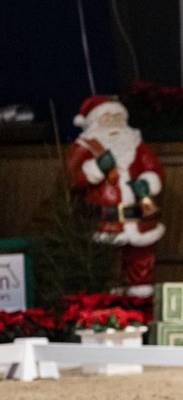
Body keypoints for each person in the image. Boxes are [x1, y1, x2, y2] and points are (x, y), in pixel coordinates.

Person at [64, 94, 165, 297]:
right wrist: (95, 169)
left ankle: (140, 299)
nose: (113, 123)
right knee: (109, 264)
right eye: (107, 118)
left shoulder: (136, 144)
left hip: (138, 216)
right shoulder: (83, 148)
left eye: (117, 117)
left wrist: (148, 182)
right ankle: (109, 301)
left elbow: (154, 169)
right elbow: (71, 179)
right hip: (106, 219)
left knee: (141, 260)